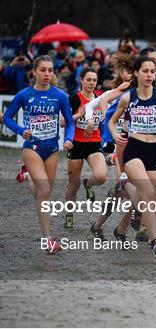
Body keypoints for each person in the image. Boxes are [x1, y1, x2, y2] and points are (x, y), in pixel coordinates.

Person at [108, 56, 156, 258]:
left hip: (153, 150)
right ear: (136, 73)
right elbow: (112, 121)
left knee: (145, 196)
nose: (149, 75)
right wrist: (115, 134)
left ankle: (124, 194)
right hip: (134, 149)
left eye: (153, 71)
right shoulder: (128, 97)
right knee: (148, 191)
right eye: (145, 71)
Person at [4, 55, 74, 254]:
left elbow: (69, 122)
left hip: (52, 149)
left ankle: (27, 176)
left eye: (50, 70)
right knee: (44, 192)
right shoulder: (24, 95)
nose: (47, 74)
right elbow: (7, 118)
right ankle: (48, 239)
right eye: (43, 70)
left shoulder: (60, 96)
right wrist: (20, 130)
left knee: (44, 193)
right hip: (31, 148)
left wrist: (68, 139)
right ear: (34, 71)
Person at [64, 68, 107, 233]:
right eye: (88, 80)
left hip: (94, 143)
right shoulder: (74, 99)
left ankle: (88, 184)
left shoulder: (99, 99)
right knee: (73, 184)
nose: (91, 83)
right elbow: (63, 122)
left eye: (94, 80)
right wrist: (79, 115)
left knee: (101, 176)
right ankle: (69, 215)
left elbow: (104, 120)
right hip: (76, 144)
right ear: (81, 80)